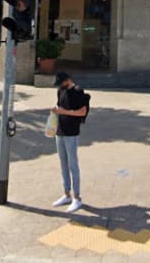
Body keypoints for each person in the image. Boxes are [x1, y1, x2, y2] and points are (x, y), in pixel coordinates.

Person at [51, 72, 88, 213]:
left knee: (73, 165)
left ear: (68, 80)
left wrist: (64, 111)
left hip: (71, 133)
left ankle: (77, 198)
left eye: (62, 82)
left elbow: (82, 112)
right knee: (63, 164)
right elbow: (60, 105)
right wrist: (55, 109)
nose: (60, 85)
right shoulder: (60, 90)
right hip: (60, 131)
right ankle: (67, 194)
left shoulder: (78, 91)